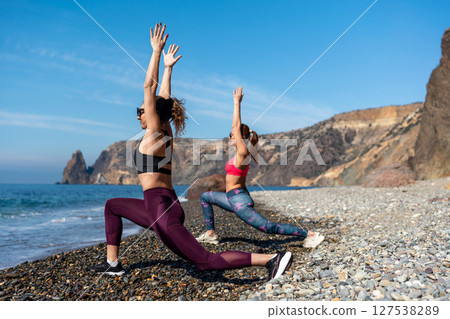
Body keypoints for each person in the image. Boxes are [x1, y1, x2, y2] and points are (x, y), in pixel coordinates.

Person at [90, 23, 293, 280]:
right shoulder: (165, 131)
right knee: (112, 206)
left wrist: (154, 52)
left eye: (141, 110)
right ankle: (113, 263)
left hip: (160, 209)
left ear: (152, 113)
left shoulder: (155, 132)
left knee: (206, 262)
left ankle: (272, 260)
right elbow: (164, 99)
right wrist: (168, 68)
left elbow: (149, 90)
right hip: (163, 205)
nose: (139, 113)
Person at [196, 87, 324, 248]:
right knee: (205, 196)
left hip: (239, 202)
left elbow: (236, 127)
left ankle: (310, 234)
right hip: (231, 198)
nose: (229, 136)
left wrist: (236, 104)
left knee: (269, 227)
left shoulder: (243, 152)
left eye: (231, 134)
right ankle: (210, 234)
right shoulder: (237, 153)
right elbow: (236, 129)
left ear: (239, 137)